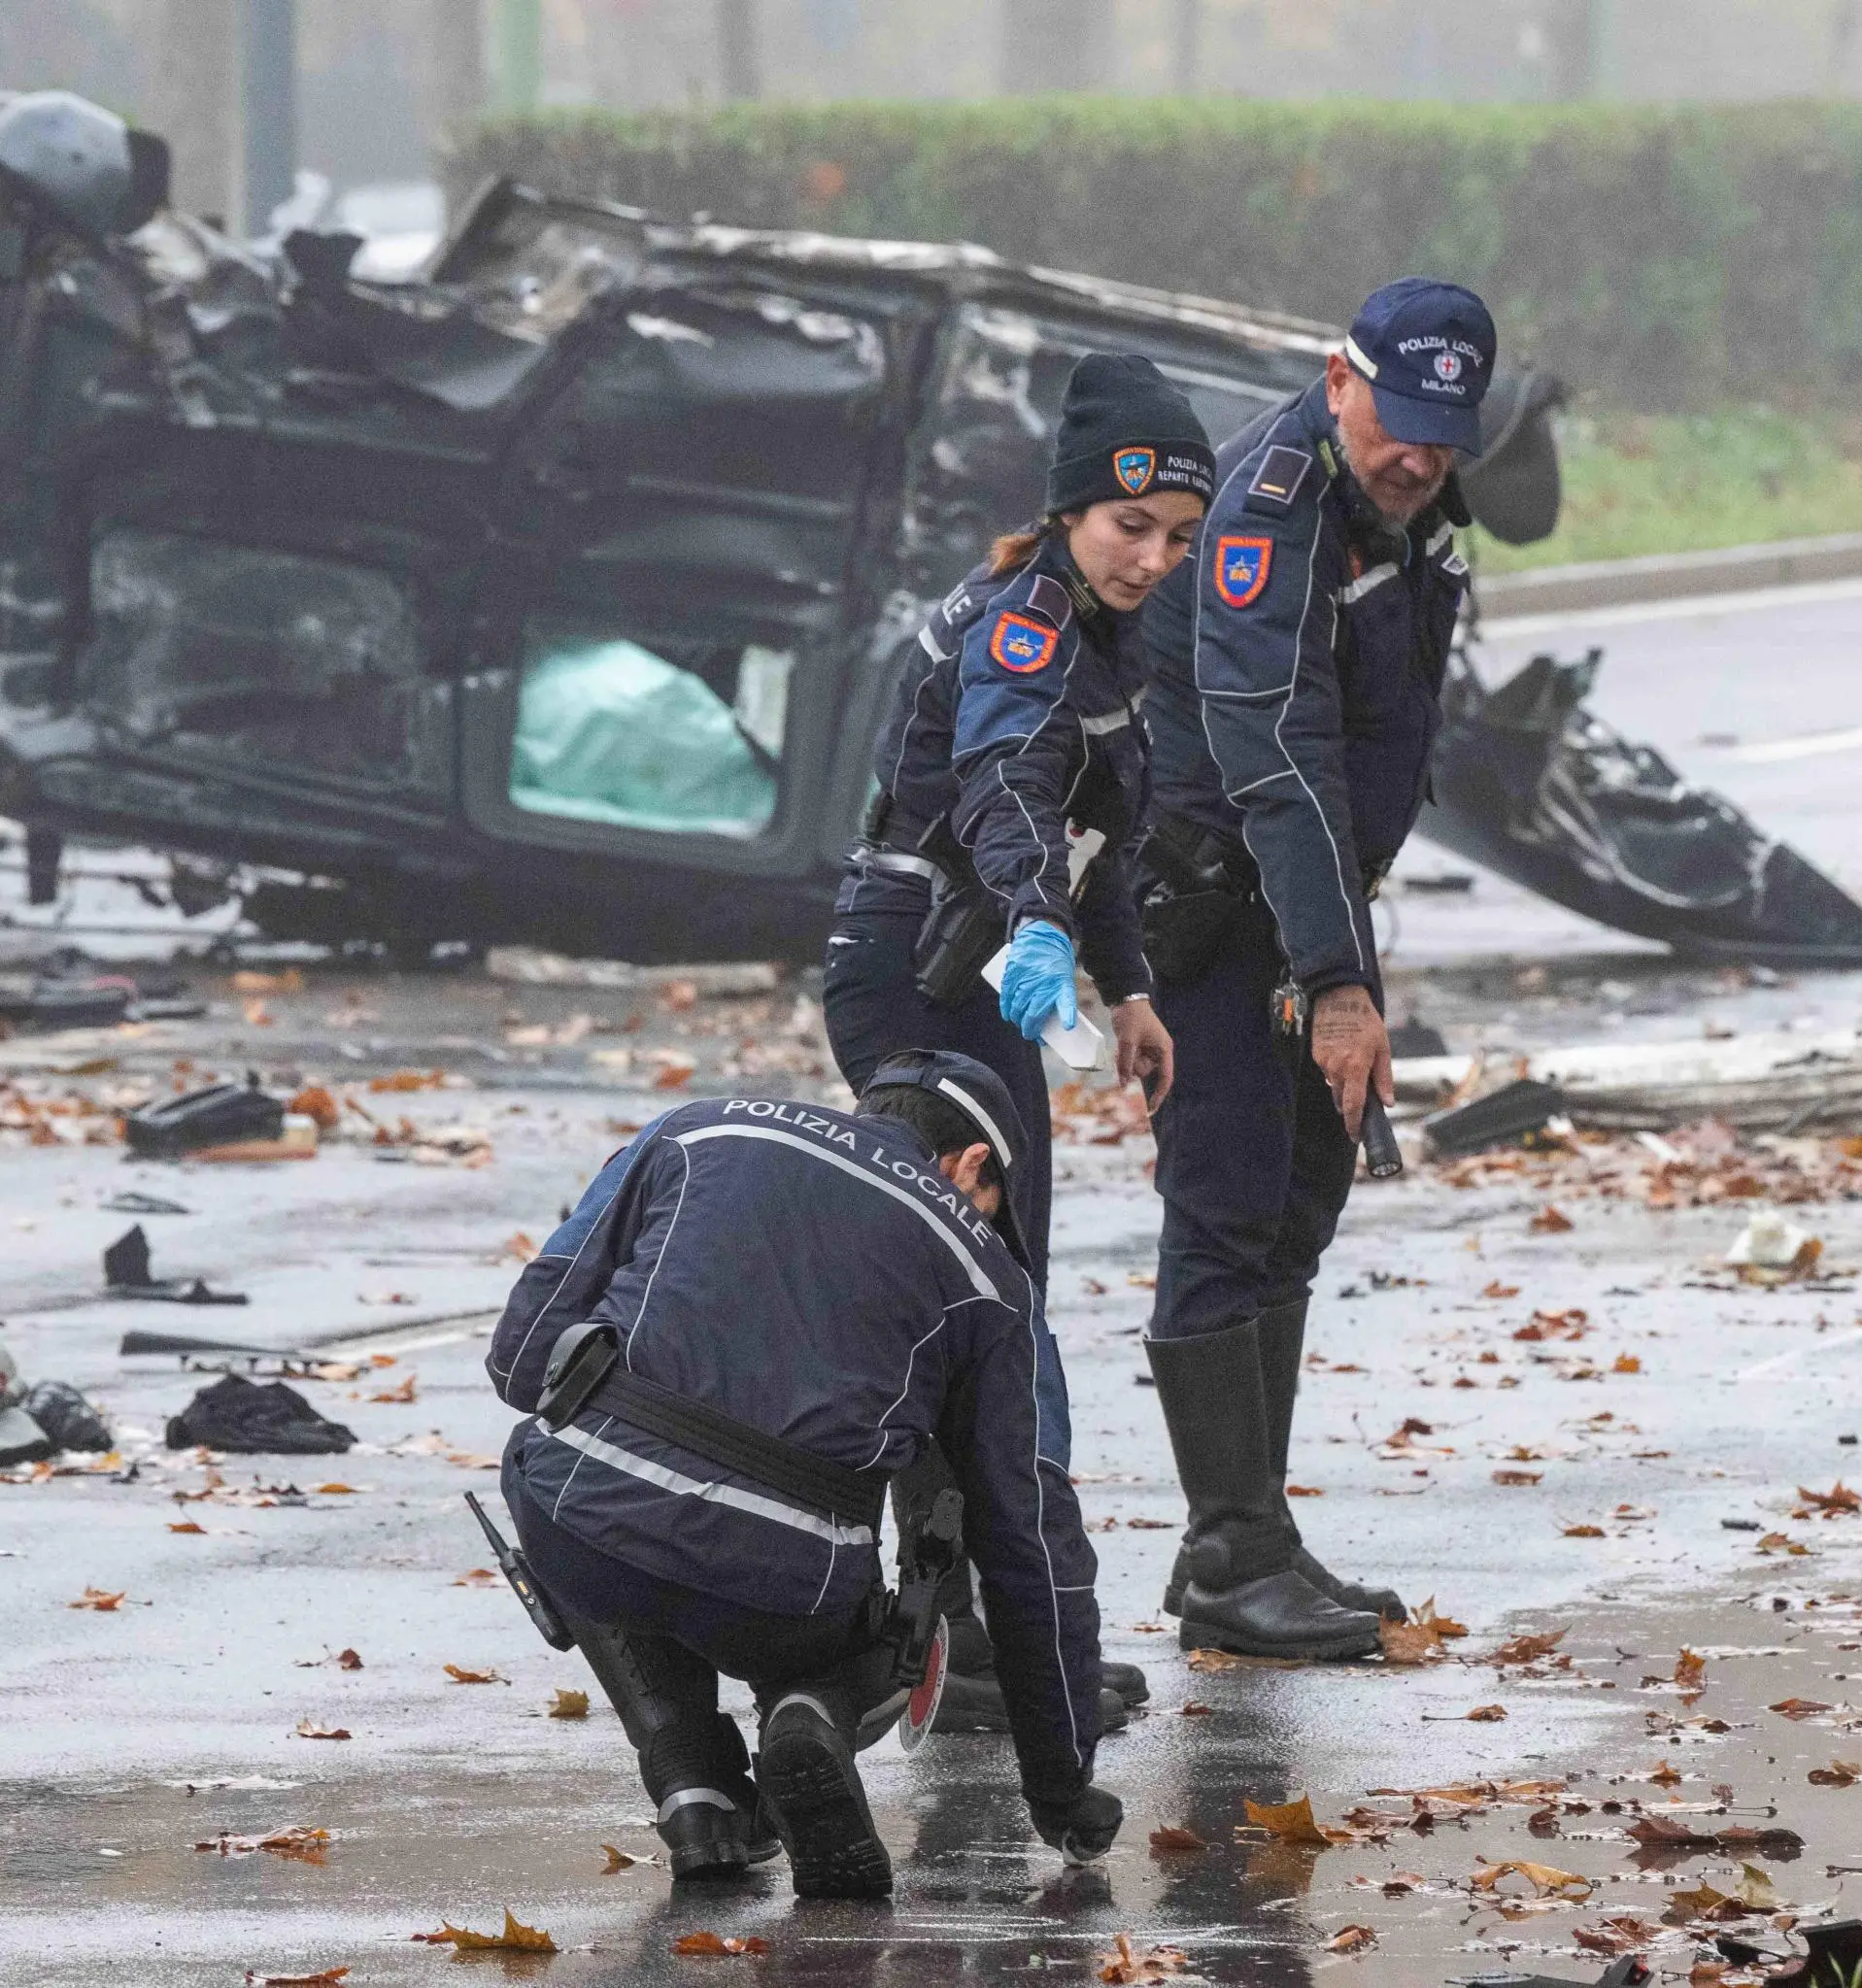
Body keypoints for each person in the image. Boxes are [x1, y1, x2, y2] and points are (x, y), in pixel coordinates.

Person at [485, 1050, 1121, 1898]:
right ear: (974, 1164)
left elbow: (520, 1355)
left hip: (583, 1526)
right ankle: (810, 1712)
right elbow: (1024, 1542)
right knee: (923, 1562)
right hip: (785, 1594)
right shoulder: (985, 1275)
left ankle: (694, 1785)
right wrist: (1061, 1785)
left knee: (577, 1475)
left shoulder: (695, 1129)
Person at [1132, 277, 1499, 1661]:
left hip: (1303, 901)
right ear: (1337, 379)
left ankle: (1254, 1533)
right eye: (1397, 423)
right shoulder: (1269, 516)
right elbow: (1277, 749)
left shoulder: (1402, 513)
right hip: (1212, 909)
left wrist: (1338, 946)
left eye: (1443, 435)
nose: (1417, 456)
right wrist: (1338, 981)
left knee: (1301, 1190)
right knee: (1226, 1201)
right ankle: (1229, 1554)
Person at [824, 351, 1218, 1282]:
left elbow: (1097, 836)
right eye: (1132, 526)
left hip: (983, 965)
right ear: (1071, 509)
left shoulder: (1101, 632)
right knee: (943, 1282)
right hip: (916, 962)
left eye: (1182, 536)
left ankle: (1006, 1437)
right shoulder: (1024, 626)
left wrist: (1128, 991)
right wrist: (1042, 917)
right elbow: (1007, 780)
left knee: (1005, 1277)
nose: (1156, 560)